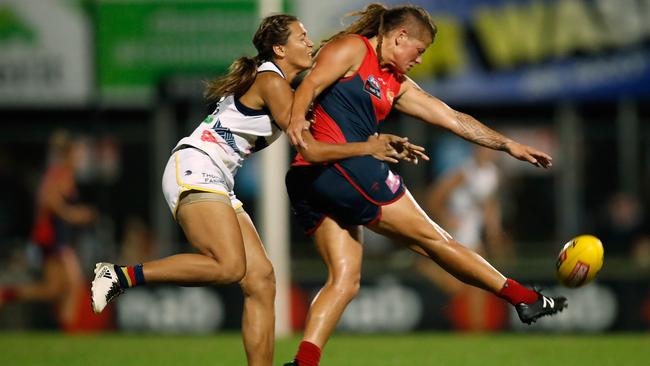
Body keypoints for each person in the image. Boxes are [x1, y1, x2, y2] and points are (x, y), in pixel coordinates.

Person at [89, 14, 419, 366]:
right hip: (197, 166)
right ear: (279, 48)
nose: (308, 42)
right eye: (300, 37)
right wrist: (368, 147)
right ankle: (121, 276)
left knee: (261, 280)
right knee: (229, 267)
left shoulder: (281, 86)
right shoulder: (271, 83)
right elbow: (310, 148)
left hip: (216, 176)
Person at [283, 4, 567, 365]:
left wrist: (506, 144)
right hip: (344, 167)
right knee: (435, 240)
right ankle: (522, 297)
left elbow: (451, 118)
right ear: (400, 37)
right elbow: (309, 84)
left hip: (313, 177)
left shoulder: (395, 83)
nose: (419, 60)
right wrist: (295, 123)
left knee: (345, 279)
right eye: (418, 51)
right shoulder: (354, 49)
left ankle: (303, 362)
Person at [0, 130, 97, 331]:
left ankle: (9, 293)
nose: (81, 158)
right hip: (52, 239)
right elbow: (48, 201)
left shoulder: (65, 174)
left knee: (54, 290)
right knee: (75, 284)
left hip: (59, 241)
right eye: (78, 153)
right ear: (69, 153)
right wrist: (74, 214)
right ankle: (69, 331)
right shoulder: (58, 173)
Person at [416, 145, 513, 331]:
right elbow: (433, 197)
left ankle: (477, 332)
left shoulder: (492, 174)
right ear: (475, 151)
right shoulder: (463, 172)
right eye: (484, 149)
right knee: (468, 287)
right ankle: (425, 267)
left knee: (476, 288)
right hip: (457, 236)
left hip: (473, 236)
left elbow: (488, 206)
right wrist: (445, 217)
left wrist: (494, 234)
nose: (487, 153)